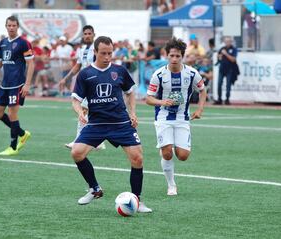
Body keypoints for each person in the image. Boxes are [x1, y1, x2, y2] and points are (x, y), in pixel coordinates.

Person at [70, 36, 152, 213]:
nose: (107, 57)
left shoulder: (119, 70)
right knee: (76, 153)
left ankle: (137, 200)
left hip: (120, 122)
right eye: (103, 53)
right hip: (96, 123)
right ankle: (94, 189)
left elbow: (130, 92)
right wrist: (80, 113)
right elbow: (75, 100)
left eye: (110, 53)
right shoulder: (85, 74)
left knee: (137, 158)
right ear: (95, 52)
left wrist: (133, 113)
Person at [146, 37, 207, 196]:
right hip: (163, 118)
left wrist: (199, 110)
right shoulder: (158, 75)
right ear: (166, 55)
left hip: (182, 118)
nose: (174, 59)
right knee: (167, 152)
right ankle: (171, 185)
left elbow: (202, 90)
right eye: (171, 55)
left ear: (182, 56)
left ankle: (166, 147)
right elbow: (148, 98)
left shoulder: (192, 73)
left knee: (183, 156)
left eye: (177, 56)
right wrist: (162, 102)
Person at [0, 15, 34, 156]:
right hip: (5, 84)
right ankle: (22, 133)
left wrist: (27, 84)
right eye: (9, 25)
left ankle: (13, 147)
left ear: (18, 27)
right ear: (6, 26)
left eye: (14, 25)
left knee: (12, 114)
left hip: (18, 84)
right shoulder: (3, 43)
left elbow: (31, 64)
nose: (11, 28)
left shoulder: (24, 43)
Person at [59, 25, 105, 150]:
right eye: (85, 34)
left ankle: (79, 140)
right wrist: (66, 78)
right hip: (85, 84)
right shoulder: (82, 49)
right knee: (88, 111)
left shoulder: (98, 49)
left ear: (94, 34)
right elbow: (77, 66)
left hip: (95, 84)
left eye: (89, 33)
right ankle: (98, 141)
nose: (87, 36)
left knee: (83, 109)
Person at [214, 36, 238, 105]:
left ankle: (227, 99)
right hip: (222, 69)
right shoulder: (222, 49)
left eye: (229, 41)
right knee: (219, 84)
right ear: (224, 42)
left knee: (228, 85)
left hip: (229, 69)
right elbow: (218, 57)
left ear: (231, 42)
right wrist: (219, 57)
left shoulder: (234, 49)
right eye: (226, 41)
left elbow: (233, 59)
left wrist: (226, 54)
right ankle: (219, 99)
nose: (227, 43)